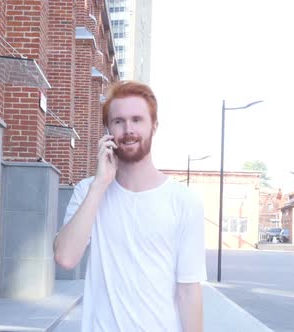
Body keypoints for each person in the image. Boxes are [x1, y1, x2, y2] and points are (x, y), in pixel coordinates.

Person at [53, 81, 207, 332]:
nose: (128, 129)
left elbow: (188, 291)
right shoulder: (88, 191)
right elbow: (65, 258)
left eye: (137, 119)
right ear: (108, 129)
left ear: (154, 126)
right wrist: (100, 184)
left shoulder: (184, 201)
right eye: (119, 121)